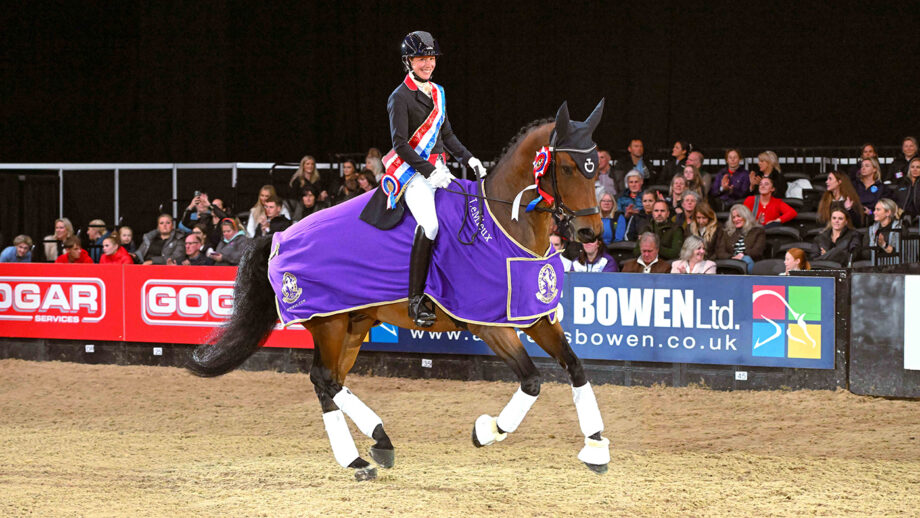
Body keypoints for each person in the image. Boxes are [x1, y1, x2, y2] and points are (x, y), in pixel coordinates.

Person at [377, 31, 487, 327]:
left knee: (463, 219)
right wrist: (429, 172)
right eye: (421, 59)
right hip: (413, 173)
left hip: (440, 170)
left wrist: (469, 158)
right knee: (431, 224)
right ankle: (415, 300)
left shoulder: (438, 92)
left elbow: (446, 135)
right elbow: (400, 144)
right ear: (409, 61)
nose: (428, 64)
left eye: (431, 58)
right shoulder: (399, 97)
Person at [715, 204, 766, 272]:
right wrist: (732, 257)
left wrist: (743, 255)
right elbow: (720, 252)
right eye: (734, 217)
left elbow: (757, 251)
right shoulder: (727, 232)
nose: (736, 219)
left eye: (739, 216)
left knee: (746, 259)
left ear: (746, 216)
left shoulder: (758, 231)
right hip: (731, 260)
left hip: (751, 260)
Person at [867, 198, 903, 263]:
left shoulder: (899, 228)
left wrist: (883, 244)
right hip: (875, 265)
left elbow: (902, 254)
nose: (874, 212)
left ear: (888, 212)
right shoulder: (871, 229)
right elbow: (865, 252)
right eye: (875, 209)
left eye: (878, 210)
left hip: (895, 266)